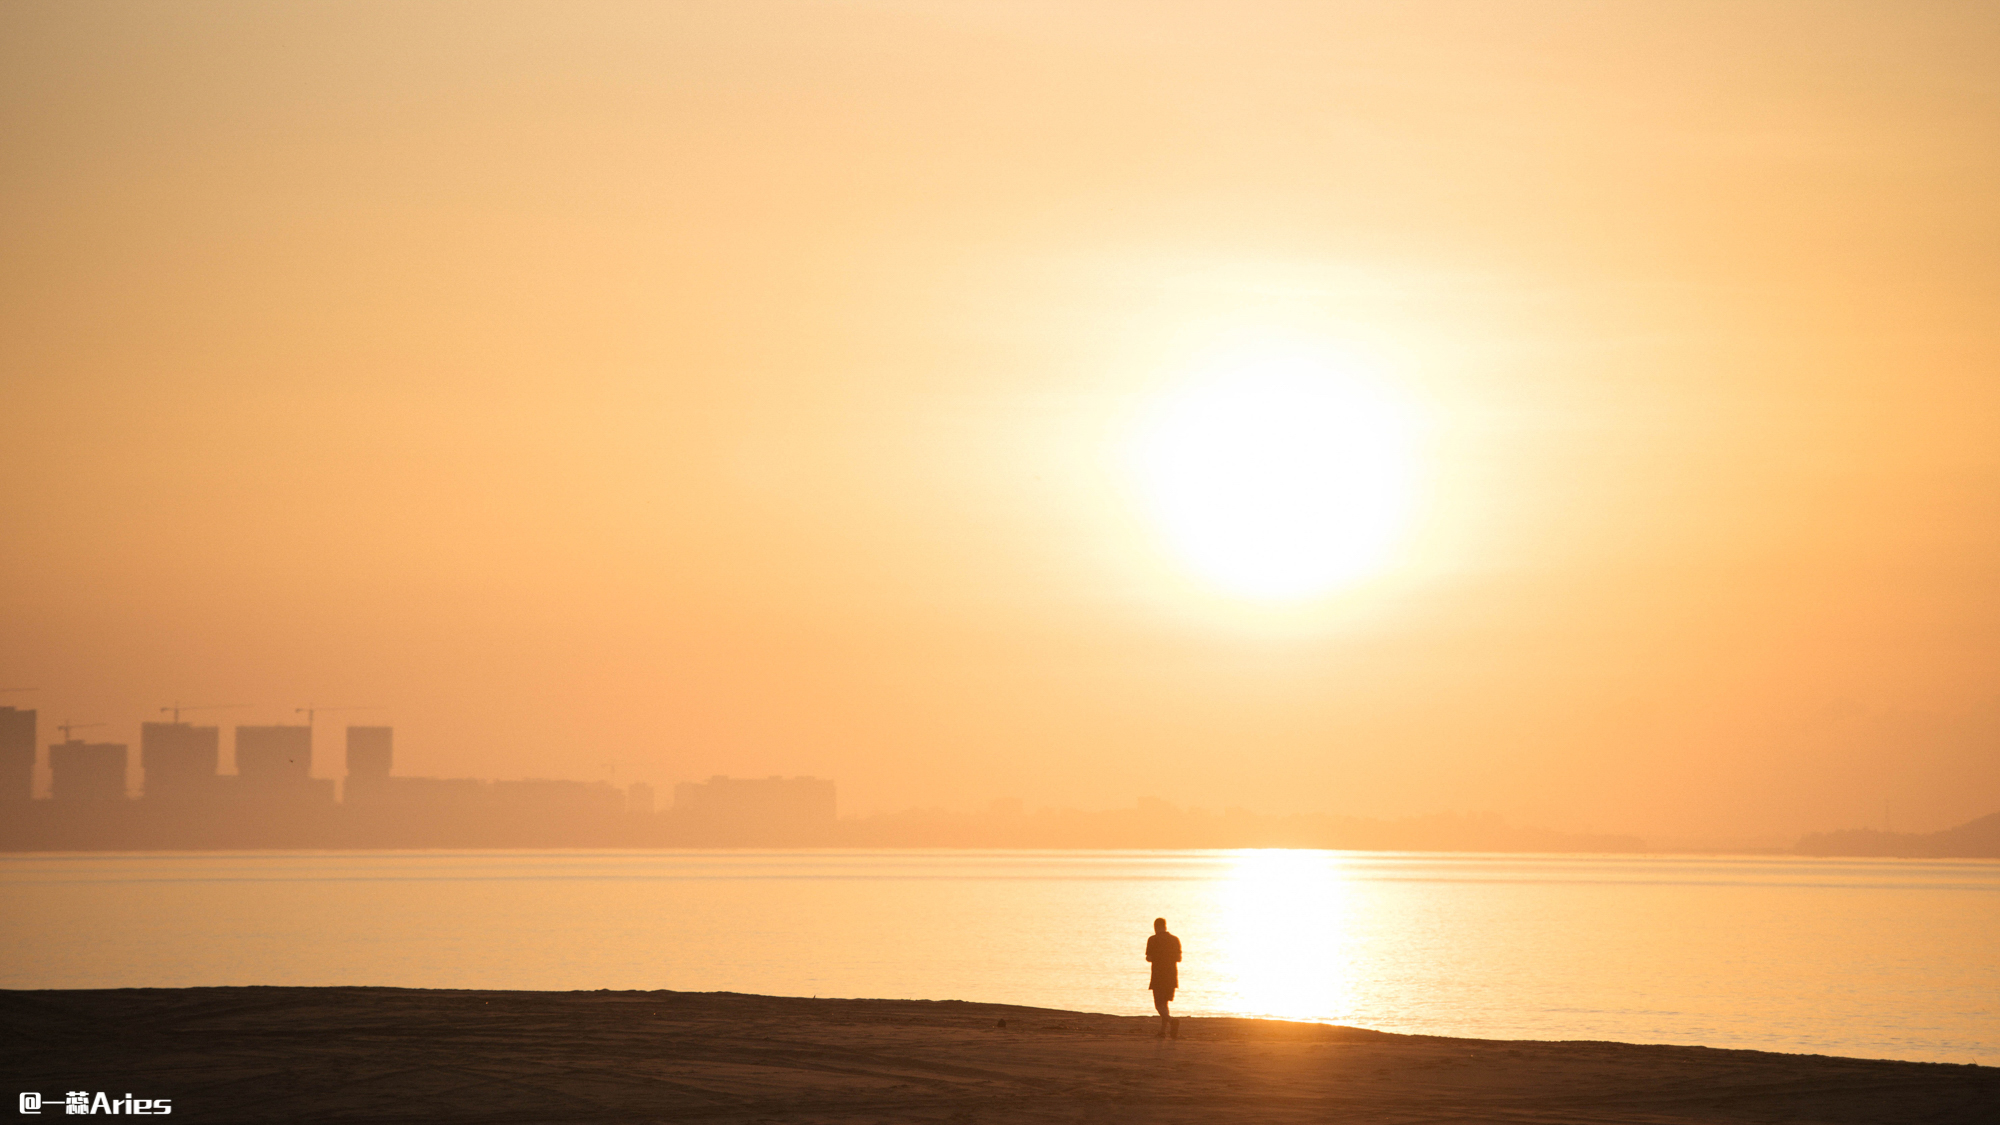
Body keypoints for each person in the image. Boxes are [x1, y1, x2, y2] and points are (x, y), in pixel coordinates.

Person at [1145, 916, 1181, 1038]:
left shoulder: (1152, 940)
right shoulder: (1175, 939)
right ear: (1165, 926)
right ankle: (1163, 1030)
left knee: (1159, 1004)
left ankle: (1171, 1021)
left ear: (1156, 927)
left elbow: (1149, 958)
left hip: (1158, 976)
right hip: (1171, 976)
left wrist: (1156, 957)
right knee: (1165, 1004)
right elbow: (1179, 958)